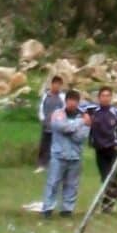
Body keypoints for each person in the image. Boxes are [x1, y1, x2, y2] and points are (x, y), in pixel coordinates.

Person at [41, 90, 91, 219]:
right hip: (59, 155)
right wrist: (79, 123)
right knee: (53, 182)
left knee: (72, 184)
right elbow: (63, 127)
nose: (72, 103)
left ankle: (67, 209)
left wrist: (72, 127)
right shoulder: (58, 114)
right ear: (66, 101)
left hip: (75, 156)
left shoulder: (83, 116)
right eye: (70, 100)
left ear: (78, 102)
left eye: (75, 101)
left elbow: (81, 136)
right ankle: (48, 208)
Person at [89, 86, 117, 213]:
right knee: (104, 178)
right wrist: (91, 141)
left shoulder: (116, 112)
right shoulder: (94, 111)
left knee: (112, 177)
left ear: (111, 98)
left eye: (108, 96)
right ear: (99, 98)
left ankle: (111, 202)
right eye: (103, 96)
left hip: (113, 149)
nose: (105, 98)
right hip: (100, 149)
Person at [36, 76, 65, 174]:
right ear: (52, 84)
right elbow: (41, 108)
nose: (57, 86)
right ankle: (41, 165)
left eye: (59, 85)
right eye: (55, 84)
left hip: (57, 126)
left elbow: (64, 110)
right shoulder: (46, 96)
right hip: (46, 125)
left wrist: (61, 122)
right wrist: (43, 119)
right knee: (44, 145)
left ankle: (54, 165)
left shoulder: (62, 97)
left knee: (56, 146)